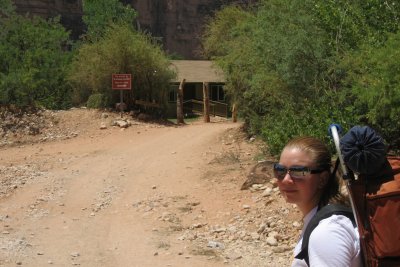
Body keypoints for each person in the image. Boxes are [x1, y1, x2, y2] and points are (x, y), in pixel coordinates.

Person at [274, 136, 362, 267]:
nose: (286, 179)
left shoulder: (328, 232)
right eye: (280, 170)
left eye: (299, 171)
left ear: (323, 179)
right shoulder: (322, 218)